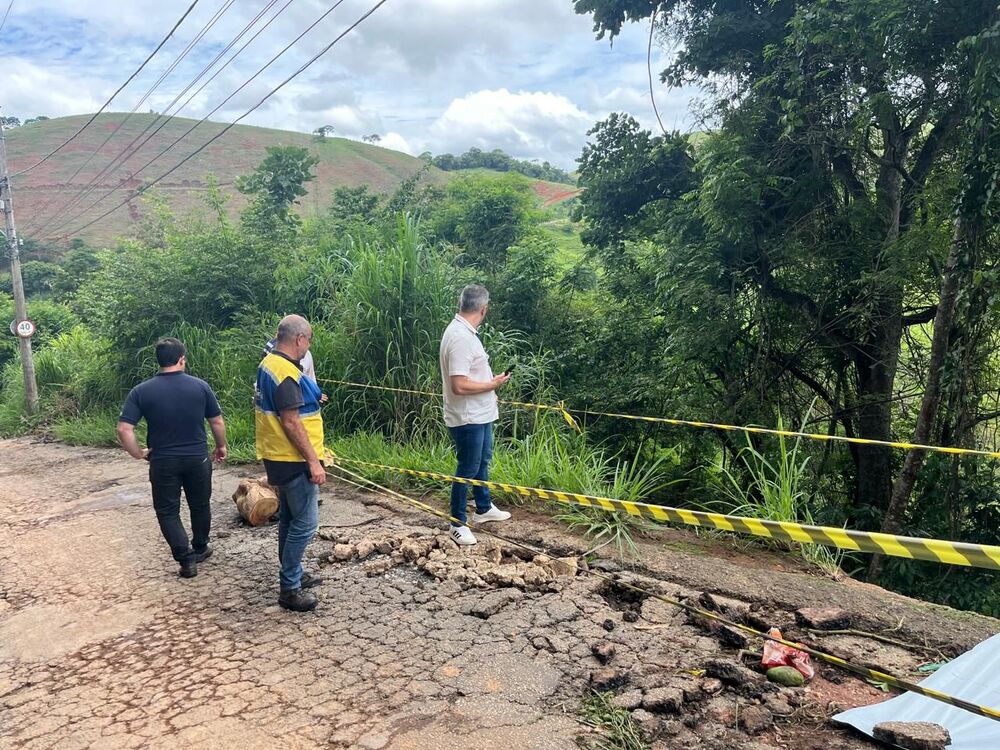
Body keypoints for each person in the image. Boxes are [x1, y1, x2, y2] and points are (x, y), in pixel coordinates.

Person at [117, 337, 227, 578]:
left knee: (167, 511)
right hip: (197, 458)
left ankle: (186, 560)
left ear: (159, 361)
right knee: (200, 504)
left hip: (163, 460)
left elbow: (124, 429)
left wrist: (138, 454)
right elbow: (216, 421)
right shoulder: (200, 386)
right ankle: (200, 547)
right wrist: (221, 446)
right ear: (181, 359)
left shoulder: (141, 391)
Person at [255, 314, 326, 612]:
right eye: (308, 340)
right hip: (293, 459)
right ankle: (289, 588)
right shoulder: (284, 372)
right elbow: (291, 421)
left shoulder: (268, 364)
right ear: (299, 339)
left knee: (289, 517)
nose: (308, 345)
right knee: (306, 523)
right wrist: (314, 462)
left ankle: (293, 574)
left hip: (278, 456)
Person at [439, 284, 512, 546]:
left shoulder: (466, 332)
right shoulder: (459, 337)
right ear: (484, 309)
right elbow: (459, 384)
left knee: (482, 461)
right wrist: (492, 385)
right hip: (467, 416)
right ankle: (457, 523)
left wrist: (490, 382)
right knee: (467, 468)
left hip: (480, 413)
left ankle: (483, 507)